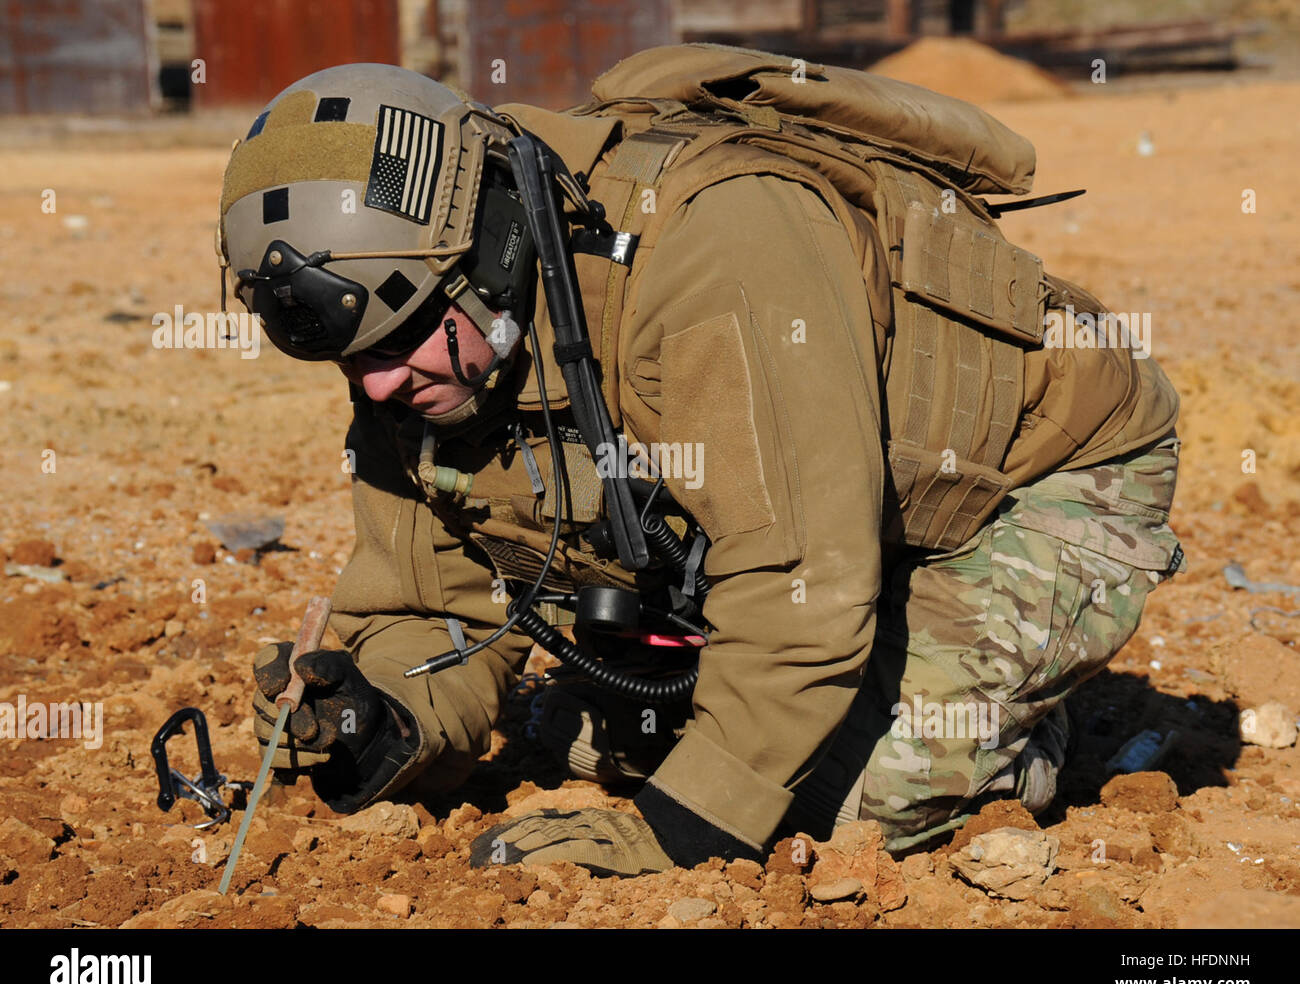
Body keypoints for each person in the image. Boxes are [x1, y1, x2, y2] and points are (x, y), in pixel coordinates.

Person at [218, 47, 1184, 877]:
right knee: (610, 737)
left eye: (400, 342)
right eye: (354, 358)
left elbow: (800, 585)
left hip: (1030, 475)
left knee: (843, 805)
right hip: (826, 505)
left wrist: (675, 836)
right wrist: (381, 720)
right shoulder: (430, 343)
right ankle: (878, 663)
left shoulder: (719, 250)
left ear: (497, 251)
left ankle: (1005, 732)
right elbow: (437, 604)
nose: (378, 388)